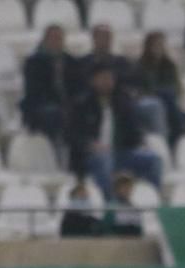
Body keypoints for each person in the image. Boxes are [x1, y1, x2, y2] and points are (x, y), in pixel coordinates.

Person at [67, 64, 162, 201]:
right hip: (90, 157)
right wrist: (90, 144)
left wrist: (138, 141)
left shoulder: (123, 102)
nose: (107, 82)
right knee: (104, 159)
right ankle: (112, 205)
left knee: (153, 160)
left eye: (110, 78)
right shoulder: (81, 104)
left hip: (119, 153)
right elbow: (72, 134)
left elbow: (134, 132)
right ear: (94, 80)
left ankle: (153, 201)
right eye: (103, 78)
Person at [19, 24, 82, 153]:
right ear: (46, 40)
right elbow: (33, 91)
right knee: (53, 114)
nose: (57, 42)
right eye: (53, 38)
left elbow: (77, 88)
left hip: (68, 105)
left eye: (59, 38)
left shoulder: (71, 62)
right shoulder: (34, 62)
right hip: (42, 105)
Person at [134, 31, 185, 147]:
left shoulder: (169, 65)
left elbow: (176, 87)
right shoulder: (140, 66)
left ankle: (180, 127)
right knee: (167, 98)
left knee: (169, 97)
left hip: (168, 102)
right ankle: (180, 127)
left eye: (161, 45)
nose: (158, 48)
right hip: (151, 102)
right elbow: (141, 89)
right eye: (156, 45)